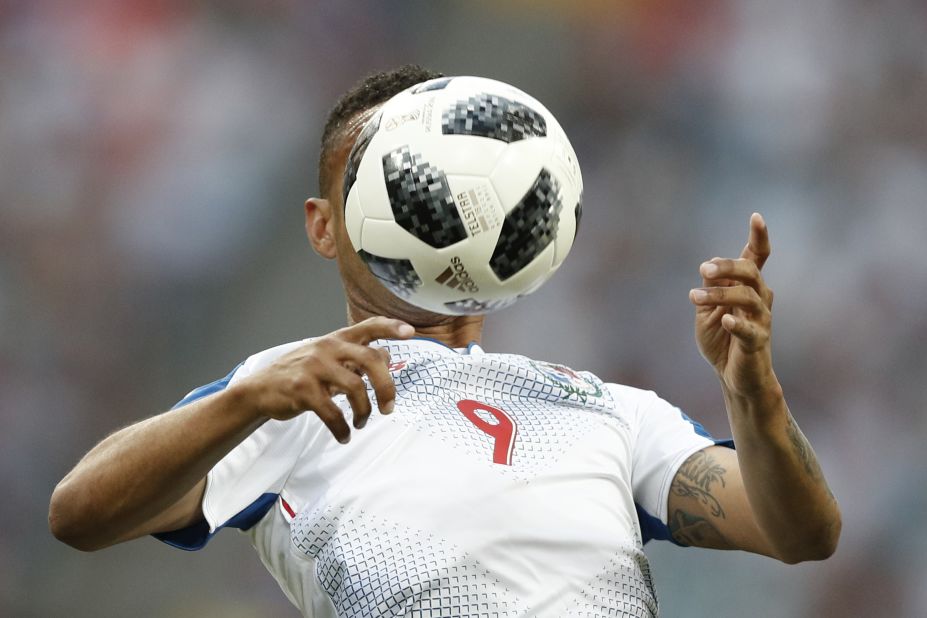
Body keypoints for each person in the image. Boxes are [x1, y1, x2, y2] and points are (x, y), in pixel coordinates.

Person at [48, 65, 840, 617]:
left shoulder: (612, 411)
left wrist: (752, 391)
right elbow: (80, 514)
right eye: (391, 180)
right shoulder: (289, 394)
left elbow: (799, 534)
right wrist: (247, 397)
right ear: (326, 225)